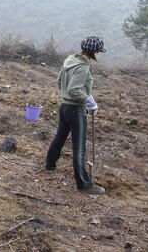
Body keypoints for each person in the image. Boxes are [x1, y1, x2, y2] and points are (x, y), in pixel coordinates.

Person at [44, 36, 106, 195]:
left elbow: (60, 82)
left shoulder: (69, 61)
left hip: (64, 106)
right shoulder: (83, 68)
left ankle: (49, 165)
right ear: (93, 52)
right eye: (99, 51)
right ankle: (84, 184)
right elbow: (74, 90)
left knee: (60, 137)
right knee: (79, 147)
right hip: (75, 109)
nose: (100, 54)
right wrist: (88, 100)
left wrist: (78, 97)